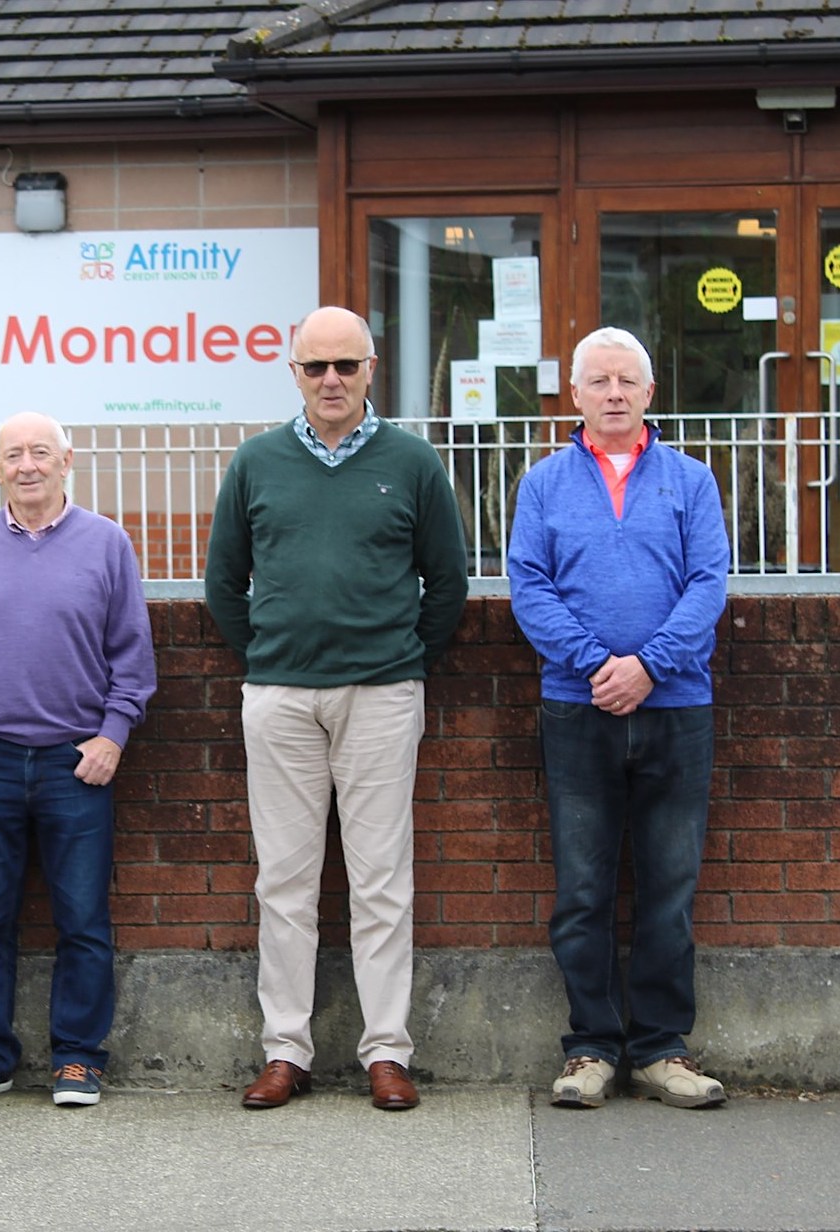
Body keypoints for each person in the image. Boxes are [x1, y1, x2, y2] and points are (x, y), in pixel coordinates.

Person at [203, 305, 469, 1112]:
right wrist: (272, 658)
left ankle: (386, 1051)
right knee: (283, 882)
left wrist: (395, 657)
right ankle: (285, 1051)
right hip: (279, 697)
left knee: (381, 880)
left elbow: (446, 585)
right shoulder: (255, 462)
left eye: (344, 366)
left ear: (369, 369)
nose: (329, 381)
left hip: (382, 694)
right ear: (292, 372)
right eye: (314, 367)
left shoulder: (413, 462)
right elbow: (223, 584)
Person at [506, 325, 731, 1110]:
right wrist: (598, 666)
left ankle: (662, 1050)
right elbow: (527, 587)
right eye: (596, 381)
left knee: (669, 887)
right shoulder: (541, 485)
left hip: (676, 708)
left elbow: (708, 585)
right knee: (582, 888)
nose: (610, 394)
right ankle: (591, 1049)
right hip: (577, 709)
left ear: (647, 394)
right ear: (574, 395)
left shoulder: (691, 482)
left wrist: (648, 666)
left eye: (624, 381)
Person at [0, 411, 156, 1108]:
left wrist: (112, 734)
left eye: (39, 452)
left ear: (65, 460)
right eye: (12, 454)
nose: (26, 465)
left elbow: (131, 658)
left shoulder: (107, 543)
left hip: (75, 764)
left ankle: (78, 1058)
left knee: (81, 919)